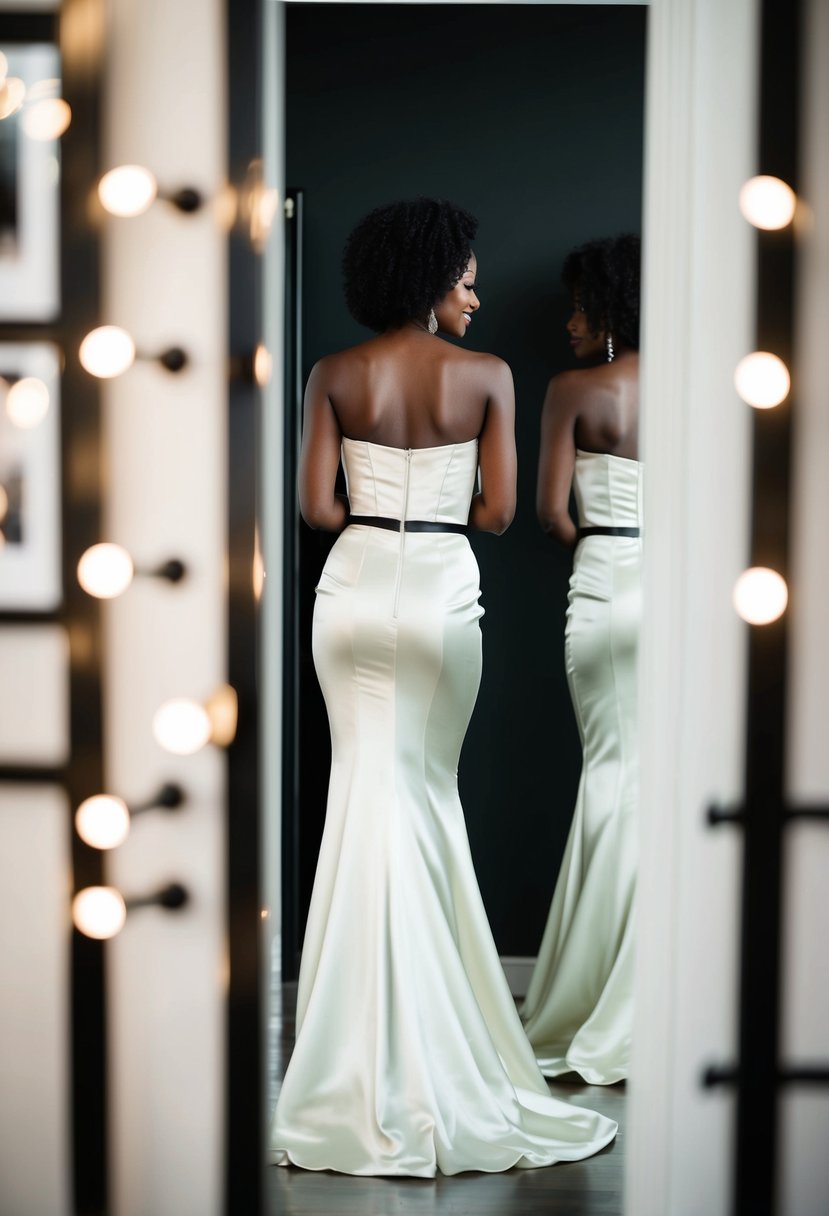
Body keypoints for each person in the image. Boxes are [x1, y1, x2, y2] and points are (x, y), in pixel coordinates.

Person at [269, 199, 617, 1175]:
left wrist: (380, 505)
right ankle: (431, 1033)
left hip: (351, 589)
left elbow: (313, 506)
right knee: (421, 793)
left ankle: (349, 1050)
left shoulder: (333, 374)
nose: (473, 293)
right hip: (437, 590)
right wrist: (438, 499)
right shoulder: (487, 377)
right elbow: (502, 512)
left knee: (360, 791)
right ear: (428, 279)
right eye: (464, 277)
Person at [521, 234, 642, 1086]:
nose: (569, 324)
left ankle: (589, 996)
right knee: (661, 784)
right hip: (673, 594)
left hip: (602, 587)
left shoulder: (573, 389)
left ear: (610, 311)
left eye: (580, 309)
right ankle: (651, 995)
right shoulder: (700, 387)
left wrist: (598, 538)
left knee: (607, 775)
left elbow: (549, 516)